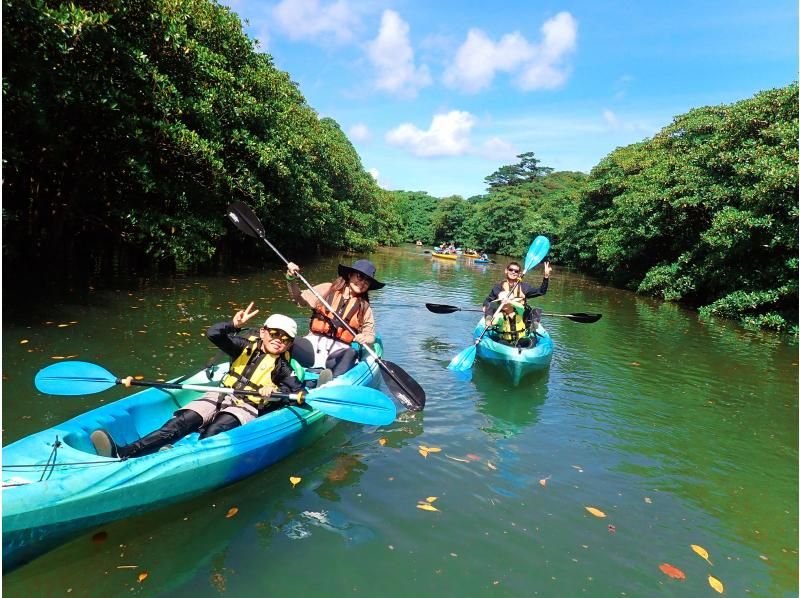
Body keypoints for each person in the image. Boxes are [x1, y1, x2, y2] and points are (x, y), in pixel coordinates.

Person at [90, 303, 309, 459]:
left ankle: (174, 457)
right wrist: (233, 324)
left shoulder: (282, 367)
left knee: (214, 431)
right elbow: (213, 333)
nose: (278, 341)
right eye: (274, 334)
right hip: (222, 394)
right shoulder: (243, 345)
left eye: (285, 339)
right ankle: (125, 451)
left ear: (289, 344)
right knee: (181, 422)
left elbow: (299, 396)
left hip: (246, 406)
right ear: (263, 332)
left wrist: (275, 390)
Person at [286, 258, 383, 379]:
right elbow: (298, 298)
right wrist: (290, 279)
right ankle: (283, 373)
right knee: (286, 340)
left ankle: (329, 382)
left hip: (338, 354)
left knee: (351, 353)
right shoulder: (327, 289)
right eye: (360, 277)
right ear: (350, 275)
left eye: (367, 281)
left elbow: (370, 336)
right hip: (312, 347)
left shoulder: (364, 307)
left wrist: (365, 338)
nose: (362, 283)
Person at [482, 260, 552, 328]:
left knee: (534, 310)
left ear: (519, 274)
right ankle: (489, 322)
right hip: (503, 316)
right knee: (490, 306)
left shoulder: (525, 287)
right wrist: (486, 307)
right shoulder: (499, 286)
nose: (513, 272)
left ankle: (533, 326)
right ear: (506, 271)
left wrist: (546, 277)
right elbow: (488, 300)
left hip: (520, 316)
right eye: (511, 270)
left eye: (516, 271)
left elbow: (541, 291)